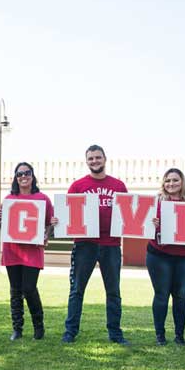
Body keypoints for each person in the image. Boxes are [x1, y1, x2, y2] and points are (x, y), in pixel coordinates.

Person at [61, 145, 129, 345]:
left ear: (105, 159)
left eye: (98, 157)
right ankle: (70, 331)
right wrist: (59, 221)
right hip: (85, 245)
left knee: (114, 292)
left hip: (111, 244)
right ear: (86, 161)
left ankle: (115, 333)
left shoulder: (118, 185)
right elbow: (68, 213)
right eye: (91, 158)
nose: (94, 161)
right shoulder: (77, 186)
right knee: (77, 290)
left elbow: (128, 214)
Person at [0, 162, 55, 340]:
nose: (23, 176)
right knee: (15, 290)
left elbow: (48, 225)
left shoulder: (42, 199)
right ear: (15, 178)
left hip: (32, 251)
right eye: (19, 174)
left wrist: (49, 231)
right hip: (12, 250)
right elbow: (5, 227)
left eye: (27, 173)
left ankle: (39, 326)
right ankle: (17, 329)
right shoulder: (9, 199)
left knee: (29, 288)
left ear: (33, 176)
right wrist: (1, 218)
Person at [147, 168, 185, 346]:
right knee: (161, 295)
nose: (171, 184)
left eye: (175, 180)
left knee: (181, 296)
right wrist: (151, 223)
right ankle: (160, 335)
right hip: (159, 255)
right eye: (168, 180)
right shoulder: (155, 203)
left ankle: (179, 335)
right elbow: (142, 228)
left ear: (182, 182)